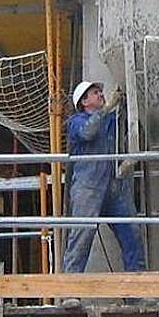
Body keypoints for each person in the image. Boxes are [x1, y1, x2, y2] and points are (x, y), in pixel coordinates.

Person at [62, 80, 146, 276]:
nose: (101, 94)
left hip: (114, 186)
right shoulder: (76, 122)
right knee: (81, 237)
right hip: (88, 188)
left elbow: (126, 129)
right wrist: (107, 108)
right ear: (84, 101)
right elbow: (88, 132)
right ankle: (70, 291)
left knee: (132, 234)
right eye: (95, 93)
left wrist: (125, 105)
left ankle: (137, 292)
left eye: (100, 91)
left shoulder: (109, 120)